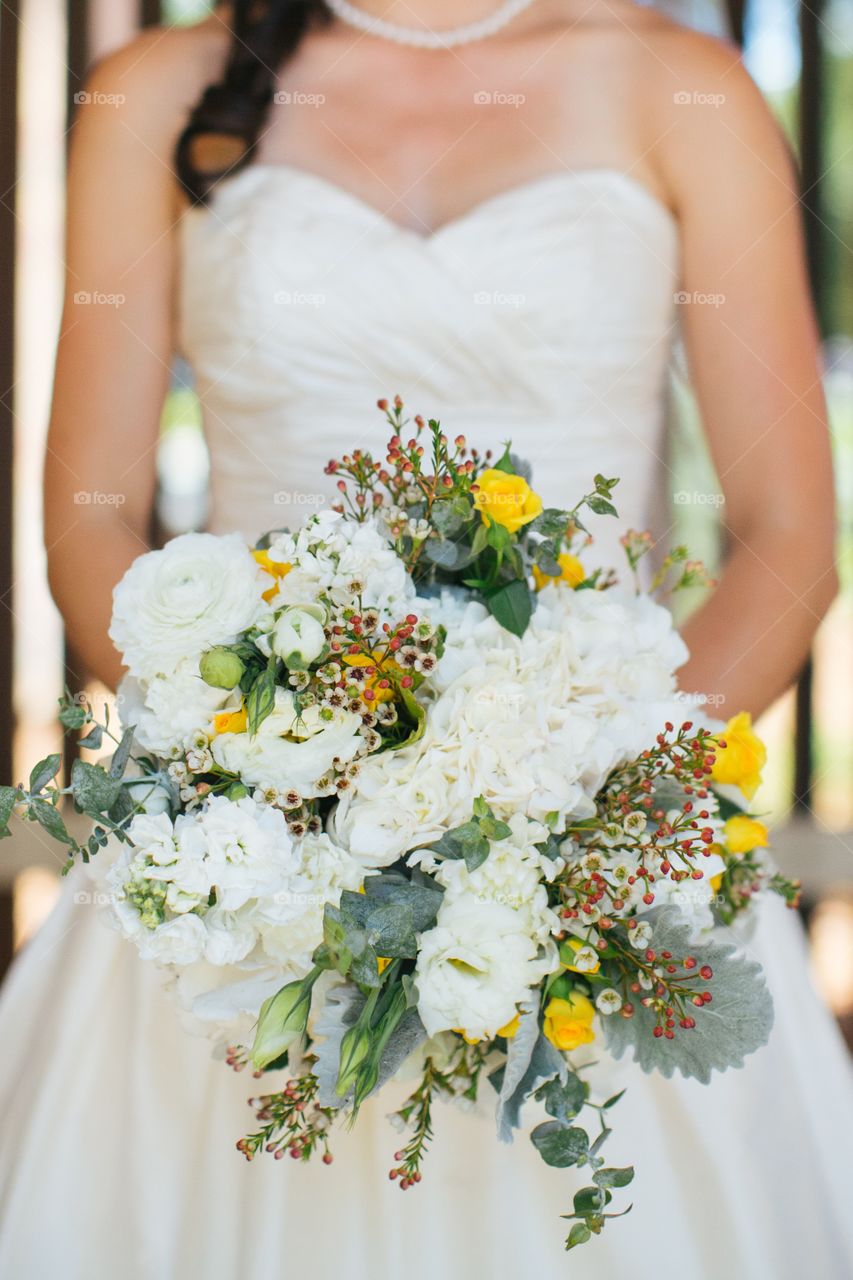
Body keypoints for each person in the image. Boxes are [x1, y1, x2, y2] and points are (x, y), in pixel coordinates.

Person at [2, 2, 851, 1277]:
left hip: (606, 845)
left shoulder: (683, 89)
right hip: (249, 852)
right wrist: (275, 773)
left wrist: (592, 811)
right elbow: (93, 524)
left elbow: (788, 539)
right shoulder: (156, 92)